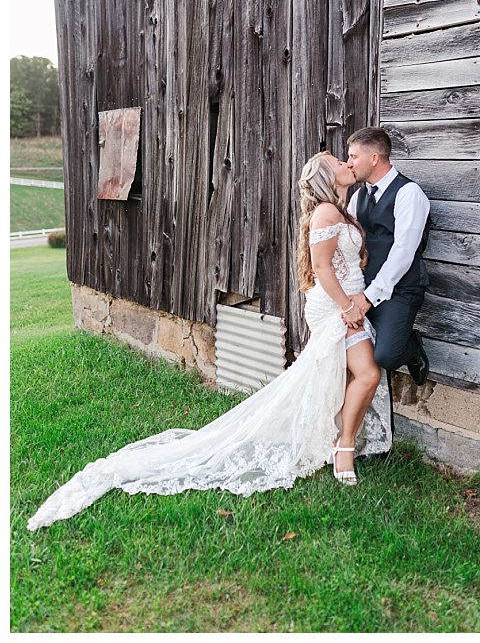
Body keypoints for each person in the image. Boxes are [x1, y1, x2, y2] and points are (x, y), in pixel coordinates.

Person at [28, 152, 386, 531]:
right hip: (337, 307)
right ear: (326, 177)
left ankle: (335, 439)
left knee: (341, 375)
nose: (348, 164)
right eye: (339, 162)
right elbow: (321, 269)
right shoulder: (327, 214)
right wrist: (348, 307)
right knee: (366, 374)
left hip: (344, 305)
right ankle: (342, 446)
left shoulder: (340, 208)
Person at [346, 127, 431, 389]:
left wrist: (369, 297)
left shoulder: (409, 193)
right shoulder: (359, 195)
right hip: (364, 286)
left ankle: (413, 347)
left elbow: (403, 253)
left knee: (386, 356)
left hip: (401, 288)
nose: (349, 164)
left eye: (353, 157)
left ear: (374, 158)